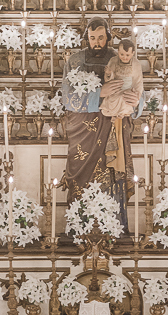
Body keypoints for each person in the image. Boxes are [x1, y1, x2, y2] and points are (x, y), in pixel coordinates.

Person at [61, 19, 142, 226]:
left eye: (101, 38)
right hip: (84, 131)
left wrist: (138, 101)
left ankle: (112, 226)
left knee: (113, 176)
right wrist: (99, 94)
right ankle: (80, 226)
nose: (96, 42)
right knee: (82, 177)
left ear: (108, 37)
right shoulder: (75, 60)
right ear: (86, 38)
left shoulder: (121, 58)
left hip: (113, 127)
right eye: (92, 38)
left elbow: (136, 86)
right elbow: (67, 98)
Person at [101, 39, 144, 181]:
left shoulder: (136, 65)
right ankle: (113, 114)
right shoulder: (113, 60)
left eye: (127, 55)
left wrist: (137, 97)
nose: (124, 57)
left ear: (132, 54)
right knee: (113, 100)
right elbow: (108, 78)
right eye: (122, 54)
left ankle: (119, 114)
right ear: (118, 52)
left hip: (128, 92)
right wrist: (108, 74)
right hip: (114, 90)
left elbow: (139, 82)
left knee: (125, 101)